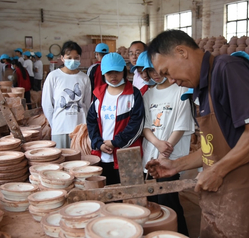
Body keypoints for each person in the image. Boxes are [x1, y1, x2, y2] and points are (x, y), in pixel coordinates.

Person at [145, 30, 249, 238]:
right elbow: (213, 147)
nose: (170, 80)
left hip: (242, 201)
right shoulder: (201, 88)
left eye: (167, 71)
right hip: (217, 199)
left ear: (181, 52)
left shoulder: (227, 69)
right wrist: (176, 165)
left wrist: (218, 171)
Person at [142, 63, 194, 236]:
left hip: (170, 158)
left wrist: (165, 149)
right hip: (151, 155)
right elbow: (145, 126)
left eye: (157, 69)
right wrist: (157, 143)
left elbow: (182, 125)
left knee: (169, 204)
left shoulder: (181, 91)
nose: (155, 74)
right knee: (153, 204)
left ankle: (180, 234)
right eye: (150, 71)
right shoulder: (148, 94)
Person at [87, 52, 144, 185]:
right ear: (103, 74)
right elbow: (91, 122)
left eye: (117, 72)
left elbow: (137, 124)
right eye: (109, 73)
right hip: (102, 154)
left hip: (126, 154)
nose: (113, 76)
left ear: (124, 71)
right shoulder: (98, 94)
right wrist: (98, 143)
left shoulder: (133, 94)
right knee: (106, 194)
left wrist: (116, 142)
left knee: (129, 194)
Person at [42, 40, 91, 149]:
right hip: (60, 128)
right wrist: (55, 123)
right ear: (62, 58)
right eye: (69, 58)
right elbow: (47, 104)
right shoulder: (53, 76)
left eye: (76, 57)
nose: (73, 60)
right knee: (62, 161)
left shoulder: (84, 78)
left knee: (80, 162)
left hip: (80, 129)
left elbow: (86, 104)